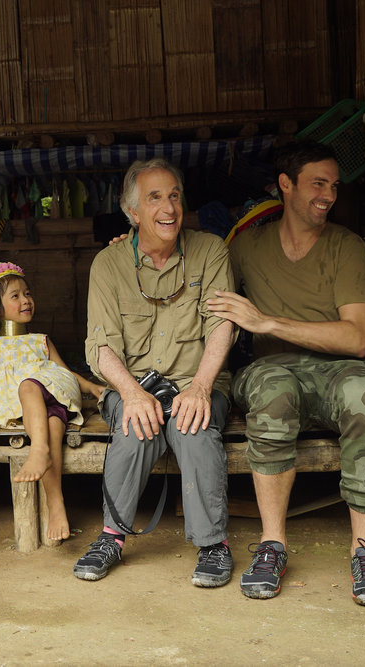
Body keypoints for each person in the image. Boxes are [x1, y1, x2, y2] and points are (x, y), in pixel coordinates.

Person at [207, 140, 365, 606]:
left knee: (364, 392)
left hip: (340, 370)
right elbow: (200, 283)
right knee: (274, 391)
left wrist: (269, 323)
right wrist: (132, 241)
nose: (329, 195)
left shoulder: (346, 246)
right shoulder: (246, 246)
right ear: (286, 185)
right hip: (270, 369)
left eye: (334, 186)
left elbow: (358, 339)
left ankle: (364, 551)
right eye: (318, 183)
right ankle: (272, 545)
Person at [75, 158, 237, 588]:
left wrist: (200, 387)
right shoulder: (109, 264)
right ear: (132, 212)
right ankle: (111, 538)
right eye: (155, 198)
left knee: (192, 425)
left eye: (174, 196)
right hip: (132, 386)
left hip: (198, 382)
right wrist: (131, 393)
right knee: (135, 427)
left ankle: (213, 544)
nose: (169, 208)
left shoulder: (209, 250)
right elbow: (100, 346)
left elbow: (222, 325)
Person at [0, 261, 105, 540]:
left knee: (29, 386)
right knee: (52, 427)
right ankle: (57, 506)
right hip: (33, 408)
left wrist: (93, 388)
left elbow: (64, 373)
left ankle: (38, 451)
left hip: (53, 389)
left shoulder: (40, 340)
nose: (26, 300)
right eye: (16, 296)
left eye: (28, 293)